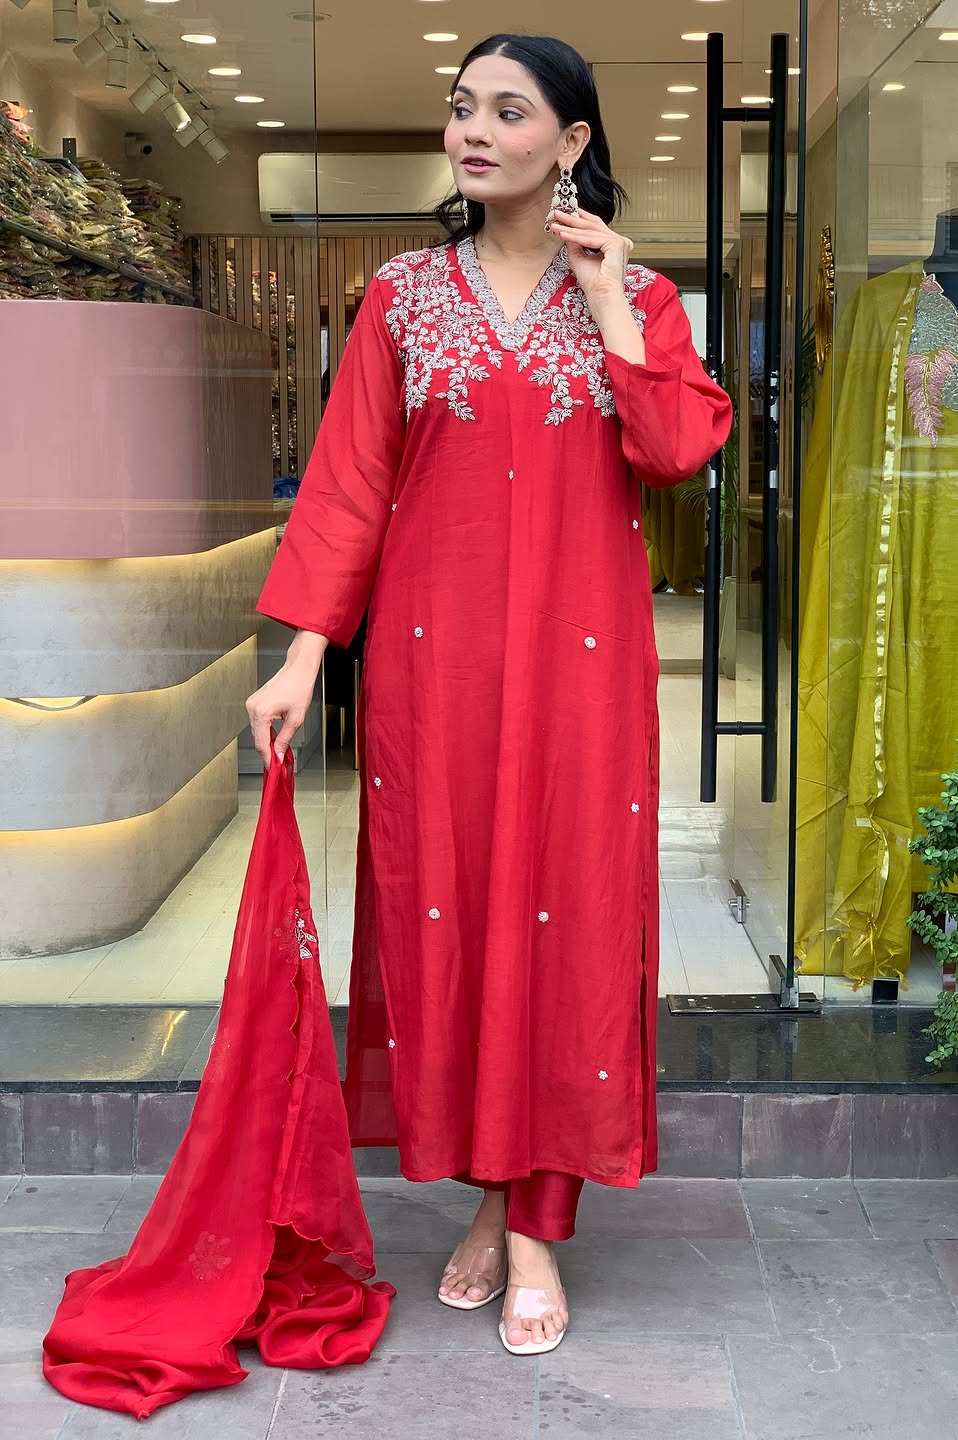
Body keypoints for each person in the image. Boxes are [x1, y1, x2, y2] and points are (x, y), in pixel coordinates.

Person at [247, 31, 732, 1356]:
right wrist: (302, 654)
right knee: (451, 919)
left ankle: (534, 1231)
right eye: (463, 107)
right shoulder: (403, 298)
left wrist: (613, 301)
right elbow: (349, 484)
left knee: (568, 924)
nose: (473, 130)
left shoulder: (641, 297)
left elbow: (675, 451)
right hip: (435, 666)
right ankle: (493, 1198)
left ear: (570, 141)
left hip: (581, 671)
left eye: (508, 111)